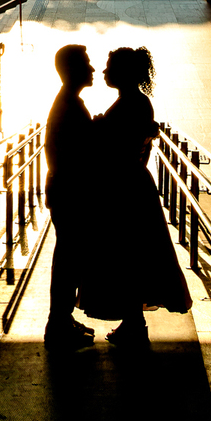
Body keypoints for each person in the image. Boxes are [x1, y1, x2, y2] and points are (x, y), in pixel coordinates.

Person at [79, 45, 191, 351]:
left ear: (123, 72)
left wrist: (98, 128)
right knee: (132, 255)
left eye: (109, 66)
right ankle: (133, 324)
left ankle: (134, 325)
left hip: (123, 189)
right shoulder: (137, 102)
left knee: (125, 255)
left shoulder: (130, 104)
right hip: (132, 184)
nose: (103, 71)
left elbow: (115, 147)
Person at [43, 43, 97, 349]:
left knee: (68, 260)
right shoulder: (70, 105)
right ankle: (58, 324)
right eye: (86, 64)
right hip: (70, 193)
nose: (91, 69)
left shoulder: (69, 102)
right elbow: (81, 153)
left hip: (64, 191)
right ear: (73, 69)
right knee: (67, 261)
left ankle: (62, 318)